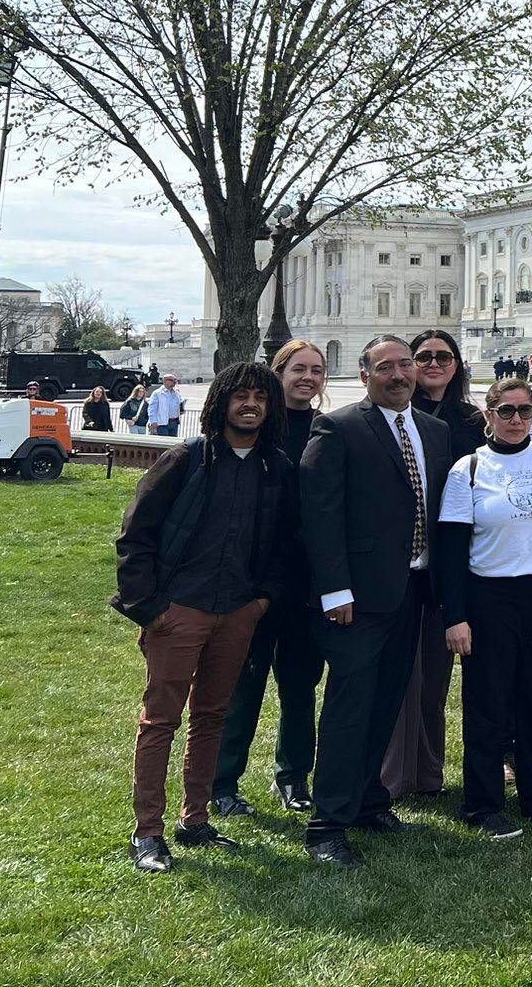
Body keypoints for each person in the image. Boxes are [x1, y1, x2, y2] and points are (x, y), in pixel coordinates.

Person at [111, 362, 294, 872]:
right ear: (222, 403)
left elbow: (282, 545)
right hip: (179, 611)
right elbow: (135, 535)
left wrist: (260, 602)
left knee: (213, 715)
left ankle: (195, 821)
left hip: (237, 612)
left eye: (260, 396)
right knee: (161, 721)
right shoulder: (185, 458)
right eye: (240, 396)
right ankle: (147, 832)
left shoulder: (274, 467)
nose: (250, 404)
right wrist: (151, 609)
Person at [300, 334, 453, 868]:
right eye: (384, 366)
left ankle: (368, 800)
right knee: (350, 706)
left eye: (405, 364)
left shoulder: (434, 432)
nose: (399, 374)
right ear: (364, 375)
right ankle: (326, 826)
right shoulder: (339, 427)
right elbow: (319, 515)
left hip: (413, 588)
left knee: (388, 699)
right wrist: (334, 589)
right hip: (358, 597)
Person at [436, 376, 532, 837]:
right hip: (491, 595)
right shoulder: (469, 470)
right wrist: (454, 616)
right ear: (489, 415)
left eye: (525, 411)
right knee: (487, 702)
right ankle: (481, 804)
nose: (517, 420)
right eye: (506, 411)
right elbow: (451, 550)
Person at [212, 340, 329, 818]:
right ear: (278, 374)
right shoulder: (260, 429)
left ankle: (294, 776)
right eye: (298, 369)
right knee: (242, 684)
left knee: (300, 687)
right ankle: (222, 781)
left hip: (304, 579)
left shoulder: (328, 428)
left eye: (316, 370)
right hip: (254, 580)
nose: (307, 378)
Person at [381, 329, 485, 804]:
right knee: (398, 671)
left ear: (457, 363)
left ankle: (428, 770)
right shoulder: (398, 416)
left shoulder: (471, 421)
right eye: (424, 356)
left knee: (435, 671)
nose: (434, 363)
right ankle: (393, 772)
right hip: (403, 556)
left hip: (450, 556)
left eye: (444, 356)